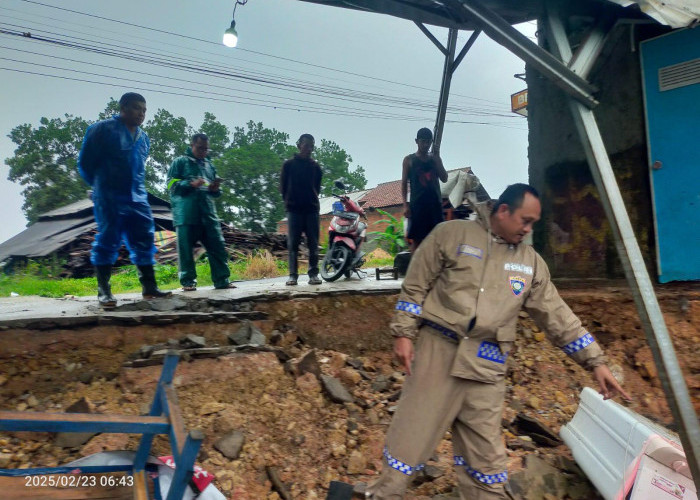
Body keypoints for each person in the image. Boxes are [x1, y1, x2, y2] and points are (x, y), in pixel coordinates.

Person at [367, 184, 631, 500]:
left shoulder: (530, 263)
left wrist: (595, 361)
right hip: (438, 352)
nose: (528, 229)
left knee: (486, 459)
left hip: (487, 364)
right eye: (525, 220)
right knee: (409, 442)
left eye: (533, 223)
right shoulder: (451, 235)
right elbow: (415, 286)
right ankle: (383, 495)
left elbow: (557, 315)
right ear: (503, 211)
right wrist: (404, 333)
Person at [78, 92, 171, 308]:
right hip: (109, 196)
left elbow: (139, 167)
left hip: (137, 197)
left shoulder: (144, 138)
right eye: (137, 108)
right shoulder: (101, 130)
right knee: (108, 240)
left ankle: (149, 287)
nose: (142, 114)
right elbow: (85, 163)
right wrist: (99, 187)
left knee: (145, 239)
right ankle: (104, 291)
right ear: (124, 108)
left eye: (145, 110)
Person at [166, 133, 235, 291]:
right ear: (192, 145)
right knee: (185, 250)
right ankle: (188, 282)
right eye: (200, 148)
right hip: (186, 214)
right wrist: (190, 183)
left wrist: (215, 189)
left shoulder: (209, 165)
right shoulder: (180, 162)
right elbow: (171, 184)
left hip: (208, 214)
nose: (203, 151)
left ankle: (222, 280)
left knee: (217, 246)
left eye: (206, 149)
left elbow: (215, 192)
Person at [280, 133, 323, 286]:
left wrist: (310, 200)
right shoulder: (288, 165)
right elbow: (283, 188)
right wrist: (289, 202)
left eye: (311, 146)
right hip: (294, 210)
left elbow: (316, 188)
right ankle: (293, 275)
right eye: (306, 145)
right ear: (299, 145)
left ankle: (313, 274)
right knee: (293, 244)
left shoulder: (315, 167)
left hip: (311, 209)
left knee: (313, 243)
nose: (309, 149)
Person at [401, 127, 448, 252]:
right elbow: (404, 184)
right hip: (418, 206)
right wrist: (405, 205)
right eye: (423, 141)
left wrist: (438, 158)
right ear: (416, 141)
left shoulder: (434, 159)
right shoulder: (409, 160)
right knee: (417, 240)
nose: (426, 144)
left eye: (429, 141)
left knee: (438, 239)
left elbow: (444, 178)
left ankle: (433, 269)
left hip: (435, 206)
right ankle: (414, 270)